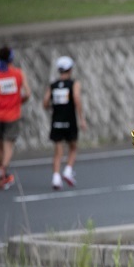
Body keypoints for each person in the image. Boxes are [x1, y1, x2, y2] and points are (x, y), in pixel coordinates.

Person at [42, 56, 87, 190]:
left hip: (56, 121)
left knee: (58, 151)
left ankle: (56, 178)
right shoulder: (74, 84)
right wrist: (81, 119)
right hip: (70, 120)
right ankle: (68, 170)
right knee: (73, 147)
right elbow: (77, 98)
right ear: (70, 69)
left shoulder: (53, 85)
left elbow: (45, 102)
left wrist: (53, 107)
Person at [0, 46, 31, 190]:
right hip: (12, 115)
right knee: (8, 145)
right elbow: (27, 93)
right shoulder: (18, 74)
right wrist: (19, 101)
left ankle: (2, 173)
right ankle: (2, 171)